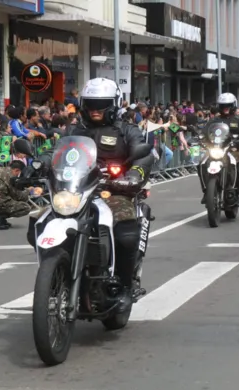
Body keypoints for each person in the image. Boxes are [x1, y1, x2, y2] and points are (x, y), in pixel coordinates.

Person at [70, 77, 154, 316]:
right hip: (78, 193)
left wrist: (135, 174)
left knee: (125, 235)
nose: (96, 109)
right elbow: (56, 151)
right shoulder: (76, 130)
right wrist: (37, 164)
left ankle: (125, 288)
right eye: (91, 103)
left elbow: (144, 155)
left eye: (103, 103)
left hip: (114, 191)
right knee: (42, 222)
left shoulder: (127, 130)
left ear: (114, 104)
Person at [205, 93, 239, 205]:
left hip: (233, 149)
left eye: (229, 105)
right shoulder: (214, 121)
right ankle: (207, 191)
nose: (226, 108)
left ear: (233, 105)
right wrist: (198, 137)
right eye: (223, 105)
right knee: (202, 163)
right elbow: (204, 131)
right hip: (216, 149)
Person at [0, 160, 33, 229]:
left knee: (6, 197)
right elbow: (19, 196)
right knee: (26, 207)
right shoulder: (10, 177)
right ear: (17, 170)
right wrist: (28, 190)